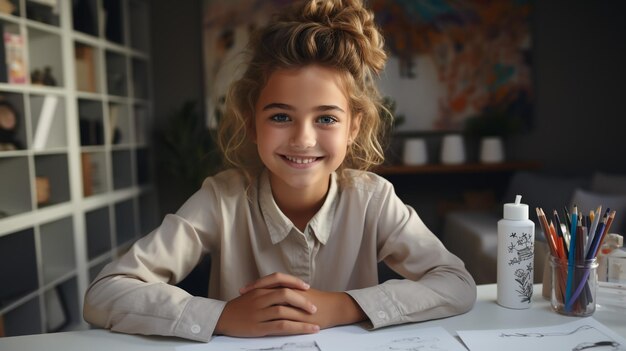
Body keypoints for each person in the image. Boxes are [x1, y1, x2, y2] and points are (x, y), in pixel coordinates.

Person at [83, 0, 476, 343]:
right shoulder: (222, 199)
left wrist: (343, 307)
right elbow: (105, 294)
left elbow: (456, 283)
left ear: (353, 127)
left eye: (325, 118)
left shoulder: (372, 198)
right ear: (252, 123)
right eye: (281, 116)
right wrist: (222, 316)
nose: (303, 139)